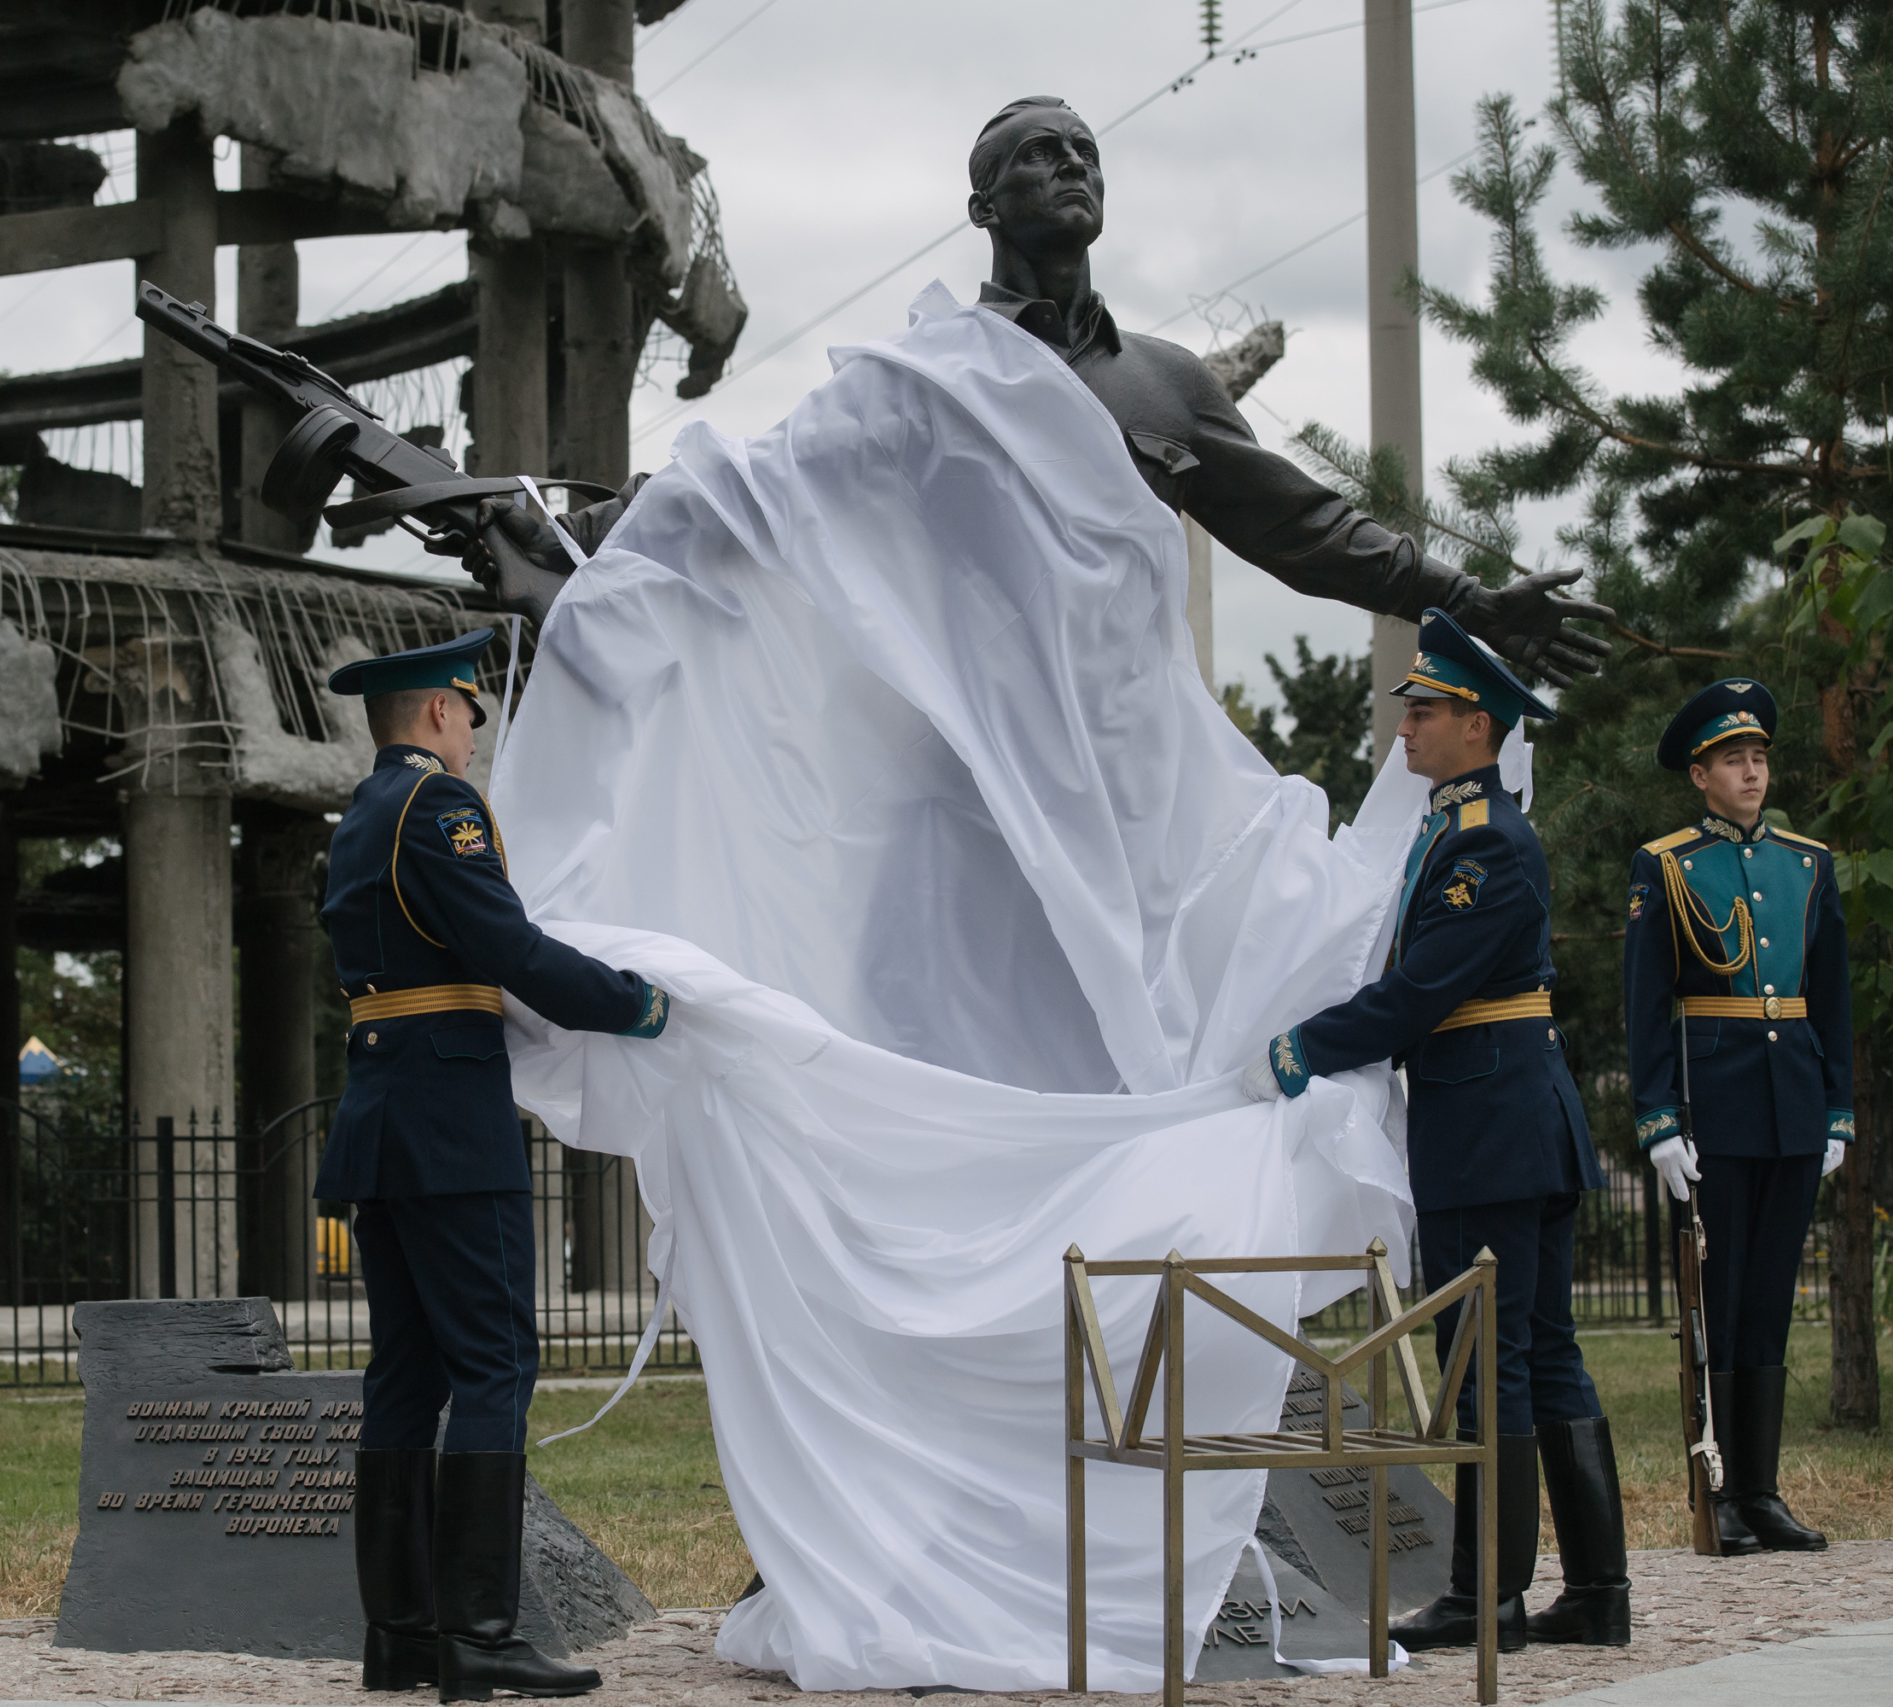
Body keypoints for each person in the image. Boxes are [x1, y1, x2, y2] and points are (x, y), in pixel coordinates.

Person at [455, 97, 1618, 692]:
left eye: (1084, 152)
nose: (1070, 164)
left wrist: (1462, 600)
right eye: (1037, 155)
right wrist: (576, 529)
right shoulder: (935, 373)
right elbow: (762, 487)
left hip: (1121, 748)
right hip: (964, 749)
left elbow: (1302, 525)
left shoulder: (1160, 381)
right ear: (982, 210)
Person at [1246, 611, 1624, 1650]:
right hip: (1508, 1117)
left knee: (1487, 1357)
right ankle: (1596, 1594)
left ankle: (1485, 1595)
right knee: (1541, 1351)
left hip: (1488, 1125)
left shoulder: (1484, 846)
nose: (1404, 729)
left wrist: (1305, 1046)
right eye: (1407, 710)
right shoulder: (1455, 833)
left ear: (1477, 723)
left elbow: (1419, 993)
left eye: (1423, 711)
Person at [317, 629, 670, 1703]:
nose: (474, 729)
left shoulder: (357, 820)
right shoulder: (438, 810)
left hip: (382, 1121)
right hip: (449, 1129)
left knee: (405, 1375)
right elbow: (507, 950)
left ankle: (403, 1638)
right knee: (493, 1366)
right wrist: (634, 1002)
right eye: (469, 710)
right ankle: (480, 1634)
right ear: (436, 713)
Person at [1625, 679, 1848, 1555]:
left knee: (1768, 1300)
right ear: (1699, 775)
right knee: (1715, 1298)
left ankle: (1762, 1491)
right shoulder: (1668, 864)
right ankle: (1714, 1491)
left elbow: (1828, 996)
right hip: (1714, 1106)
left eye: (1757, 757)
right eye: (1732, 760)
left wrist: (1837, 1110)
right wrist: (1657, 1117)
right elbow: (1648, 1004)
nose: (1751, 772)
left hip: (1791, 1100)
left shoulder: (1807, 862)